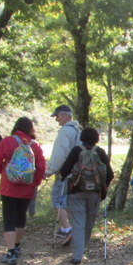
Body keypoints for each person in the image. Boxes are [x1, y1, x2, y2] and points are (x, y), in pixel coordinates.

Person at [0, 117, 46, 265]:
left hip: (8, 187)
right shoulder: (35, 146)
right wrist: (34, 183)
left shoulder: (7, 141)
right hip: (27, 188)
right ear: (30, 129)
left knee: (9, 219)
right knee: (21, 218)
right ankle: (17, 246)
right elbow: (40, 168)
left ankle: (10, 252)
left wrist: (4, 172)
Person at [59, 127, 113, 265]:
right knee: (89, 222)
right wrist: (103, 187)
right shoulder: (100, 152)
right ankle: (83, 248)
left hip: (77, 191)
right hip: (95, 193)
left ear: (82, 137)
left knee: (78, 222)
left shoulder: (76, 151)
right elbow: (110, 174)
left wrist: (66, 177)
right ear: (96, 138)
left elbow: (64, 170)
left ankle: (77, 255)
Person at [46, 104, 80, 245]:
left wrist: (49, 170)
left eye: (58, 116)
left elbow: (60, 155)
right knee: (67, 202)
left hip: (64, 173)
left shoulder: (65, 131)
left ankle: (67, 229)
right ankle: (68, 228)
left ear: (66, 115)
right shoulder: (78, 130)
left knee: (57, 200)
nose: (56, 119)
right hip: (76, 174)